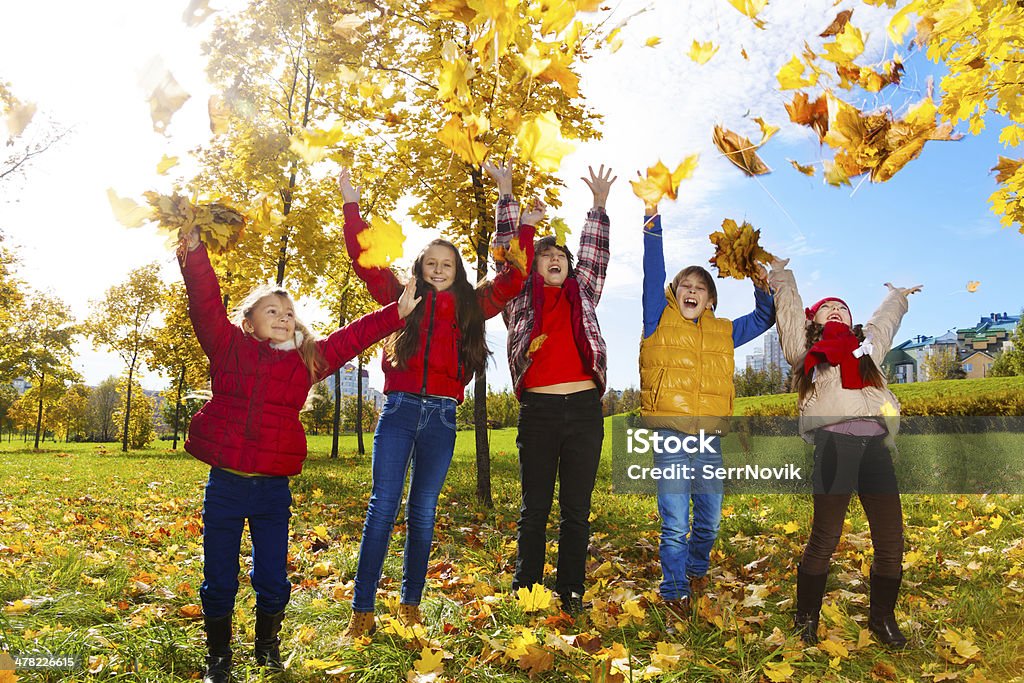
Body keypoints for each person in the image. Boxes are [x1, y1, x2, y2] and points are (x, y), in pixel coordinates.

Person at [178, 228, 418, 683]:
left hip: (272, 490)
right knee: (219, 574)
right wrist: (194, 254)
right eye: (273, 311)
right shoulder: (227, 346)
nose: (284, 317)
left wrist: (395, 314)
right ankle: (218, 656)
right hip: (225, 485)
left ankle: (267, 646)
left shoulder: (305, 362)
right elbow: (205, 303)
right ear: (249, 322)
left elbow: (351, 338)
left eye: (289, 313)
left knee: (271, 575)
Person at [337, 168, 529, 638]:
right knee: (383, 506)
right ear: (420, 268)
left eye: (447, 264)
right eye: (431, 263)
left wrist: (524, 226)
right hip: (400, 409)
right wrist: (351, 207)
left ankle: (410, 605)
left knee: (423, 510)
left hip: (442, 416)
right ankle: (362, 611)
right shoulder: (404, 296)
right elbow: (365, 261)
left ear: (457, 271)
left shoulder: (472, 303)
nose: (439, 270)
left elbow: (514, 278)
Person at [768, 257, 920, 648]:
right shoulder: (806, 349)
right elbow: (787, 312)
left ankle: (882, 620)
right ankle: (806, 620)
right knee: (826, 535)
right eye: (827, 307)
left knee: (891, 538)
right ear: (814, 320)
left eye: (842, 307)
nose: (835, 309)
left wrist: (897, 298)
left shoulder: (866, 349)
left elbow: (882, 325)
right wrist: (782, 275)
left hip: (875, 448)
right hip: (834, 443)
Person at [487, 162, 615, 616]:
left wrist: (597, 207)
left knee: (576, 510)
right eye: (546, 253)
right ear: (535, 263)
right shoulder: (521, 298)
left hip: (583, 411)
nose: (555, 257)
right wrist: (507, 193)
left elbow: (595, 256)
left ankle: (571, 590)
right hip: (538, 412)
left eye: (561, 253)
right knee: (534, 508)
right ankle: (528, 589)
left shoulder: (584, 293)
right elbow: (507, 254)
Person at [639, 200, 775, 622]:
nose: (692, 291)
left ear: (711, 298)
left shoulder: (724, 331)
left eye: (700, 287)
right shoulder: (656, 319)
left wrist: (760, 282)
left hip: (709, 439)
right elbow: (653, 272)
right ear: (674, 294)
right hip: (669, 434)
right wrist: (651, 216)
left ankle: (697, 570)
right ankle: (675, 589)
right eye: (686, 286)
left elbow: (765, 316)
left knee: (710, 522)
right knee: (675, 521)